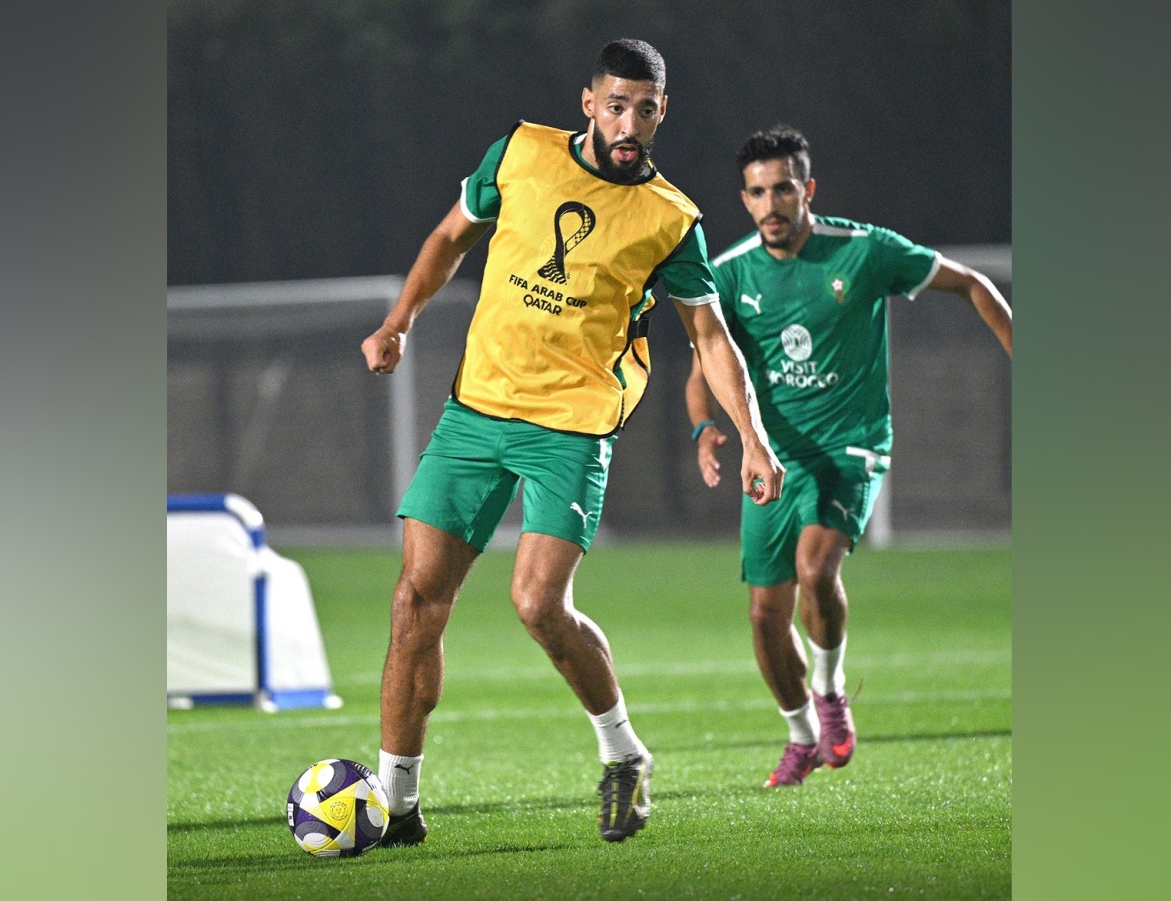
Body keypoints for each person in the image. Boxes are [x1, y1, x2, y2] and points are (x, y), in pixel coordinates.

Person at [360, 39, 784, 844]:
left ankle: (623, 752)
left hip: (572, 426)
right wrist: (398, 321)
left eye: (646, 109)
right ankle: (397, 801)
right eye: (616, 105)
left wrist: (752, 438)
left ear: (663, 113)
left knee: (538, 604)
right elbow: (452, 235)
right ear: (588, 103)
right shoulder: (519, 153)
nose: (630, 123)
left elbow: (710, 334)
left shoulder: (671, 218)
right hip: (476, 410)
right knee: (415, 599)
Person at [684, 125, 1012, 788]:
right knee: (762, 617)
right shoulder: (730, 271)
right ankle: (802, 734)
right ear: (744, 200)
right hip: (774, 458)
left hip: (851, 444)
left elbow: (973, 282)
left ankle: (830, 690)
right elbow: (703, 367)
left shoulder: (864, 251)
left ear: (807, 189)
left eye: (782, 188)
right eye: (756, 192)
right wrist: (703, 429)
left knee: (814, 567)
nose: (770, 203)